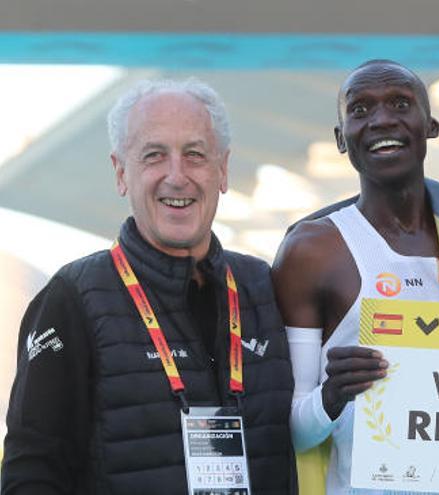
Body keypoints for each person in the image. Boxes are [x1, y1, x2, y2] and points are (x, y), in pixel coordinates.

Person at [1, 79, 297, 494]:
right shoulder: (72, 298)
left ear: (223, 170)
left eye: (194, 155)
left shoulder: (265, 286)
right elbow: (31, 472)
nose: (177, 177)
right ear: (121, 172)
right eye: (154, 156)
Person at [272, 59, 439, 495]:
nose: (381, 120)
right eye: (360, 110)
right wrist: (331, 395)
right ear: (341, 139)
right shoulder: (313, 250)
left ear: (430, 126)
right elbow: (290, 431)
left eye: (400, 103)